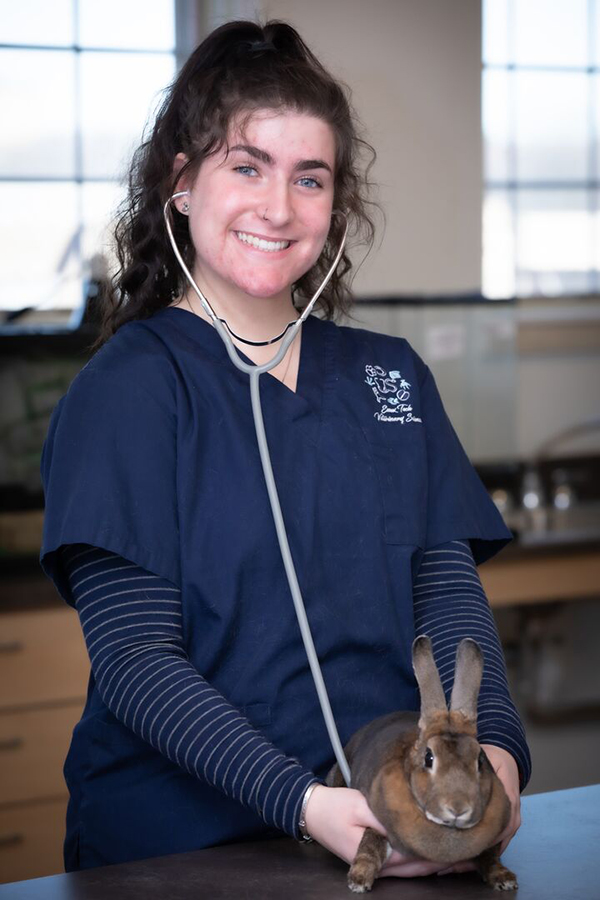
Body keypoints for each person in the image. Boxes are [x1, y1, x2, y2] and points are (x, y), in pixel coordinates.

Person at [39, 19, 530, 878]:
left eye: (310, 178)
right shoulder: (130, 391)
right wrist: (304, 806)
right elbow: (136, 662)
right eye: (246, 166)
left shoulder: (391, 375)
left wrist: (497, 763)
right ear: (181, 185)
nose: (278, 207)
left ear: (335, 205)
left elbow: (447, 597)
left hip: (393, 840)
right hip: (182, 855)